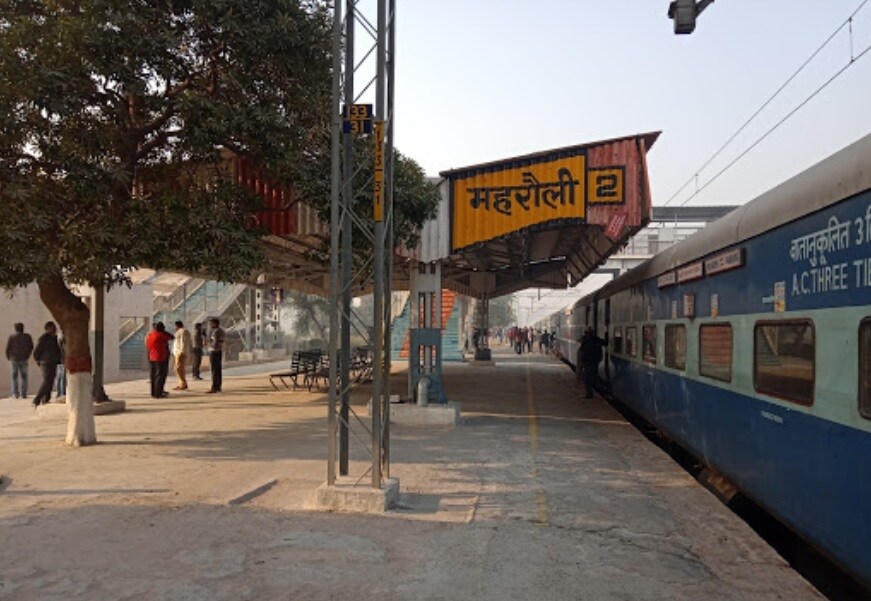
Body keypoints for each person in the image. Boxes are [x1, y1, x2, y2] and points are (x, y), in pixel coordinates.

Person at [32, 321, 62, 406]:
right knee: (47, 381)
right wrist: (38, 360)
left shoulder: (54, 338)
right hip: (46, 362)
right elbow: (37, 351)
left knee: (50, 381)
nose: (55, 329)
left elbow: (57, 350)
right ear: (48, 328)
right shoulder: (44, 338)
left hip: (53, 362)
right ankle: (37, 399)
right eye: (53, 328)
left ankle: (46, 399)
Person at [145, 322, 174, 398]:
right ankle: (158, 392)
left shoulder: (150, 335)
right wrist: (164, 331)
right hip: (161, 357)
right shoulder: (161, 335)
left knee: (153, 375)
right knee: (160, 375)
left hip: (151, 357)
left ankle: (153, 392)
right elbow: (172, 337)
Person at [6, 322, 34, 399]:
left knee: (14, 377)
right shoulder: (27, 337)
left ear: (15, 329)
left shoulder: (12, 337)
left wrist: (8, 357)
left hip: (14, 359)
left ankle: (16, 394)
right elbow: (31, 346)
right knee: (24, 376)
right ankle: (24, 393)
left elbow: (8, 348)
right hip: (24, 358)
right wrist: (28, 355)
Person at [577, 326, 606, 399]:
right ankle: (593, 390)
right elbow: (605, 342)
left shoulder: (585, 341)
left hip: (587, 362)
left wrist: (581, 363)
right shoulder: (596, 339)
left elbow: (581, 350)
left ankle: (589, 393)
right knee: (592, 377)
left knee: (587, 378)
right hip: (595, 362)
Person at [172, 321, 193, 390]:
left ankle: (183, 383)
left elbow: (183, 342)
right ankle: (182, 383)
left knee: (178, 368)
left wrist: (182, 352)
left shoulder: (183, 331)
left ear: (176, 325)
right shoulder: (178, 332)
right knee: (179, 368)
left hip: (180, 352)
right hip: (177, 352)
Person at [206, 317, 225, 394]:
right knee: (218, 370)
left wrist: (209, 345)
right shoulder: (221, 331)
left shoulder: (216, 332)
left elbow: (214, 343)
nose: (210, 325)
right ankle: (218, 386)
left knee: (214, 370)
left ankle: (214, 387)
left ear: (215, 323)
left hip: (214, 352)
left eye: (211, 323)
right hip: (219, 351)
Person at [55, 332, 66, 399]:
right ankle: (62, 393)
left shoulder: (58, 337)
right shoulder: (63, 339)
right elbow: (64, 350)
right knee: (62, 377)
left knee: (59, 377)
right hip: (63, 360)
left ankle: (59, 393)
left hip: (59, 360)